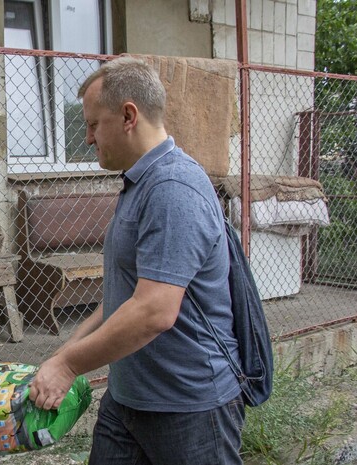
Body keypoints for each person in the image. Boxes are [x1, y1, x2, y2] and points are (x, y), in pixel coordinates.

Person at [28, 57, 244, 464]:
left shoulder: (172, 188)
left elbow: (153, 311)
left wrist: (69, 365)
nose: (89, 138)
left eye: (94, 124)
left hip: (188, 408)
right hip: (128, 401)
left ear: (129, 115)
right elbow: (123, 298)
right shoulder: (140, 182)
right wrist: (60, 357)